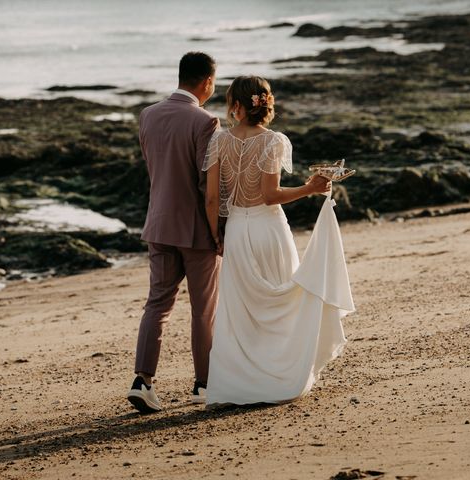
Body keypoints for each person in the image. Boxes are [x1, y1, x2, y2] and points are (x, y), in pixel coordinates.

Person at [203, 76, 355, 406]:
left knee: (242, 312)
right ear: (264, 104)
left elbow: (213, 198)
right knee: (282, 302)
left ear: (236, 106)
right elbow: (270, 195)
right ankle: (280, 376)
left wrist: (216, 233)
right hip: (269, 231)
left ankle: (237, 385)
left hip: (239, 233)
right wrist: (310, 188)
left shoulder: (218, 142)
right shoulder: (274, 141)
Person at [127, 52, 221, 413]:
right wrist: (218, 231)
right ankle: (203, 384)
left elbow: (154, 166)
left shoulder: (147, 115)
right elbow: (205, 185)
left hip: (158, 224)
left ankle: (143, 380)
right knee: (203, 310)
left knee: (157, 304)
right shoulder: (207, 122)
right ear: (207, 83)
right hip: (196, 230)